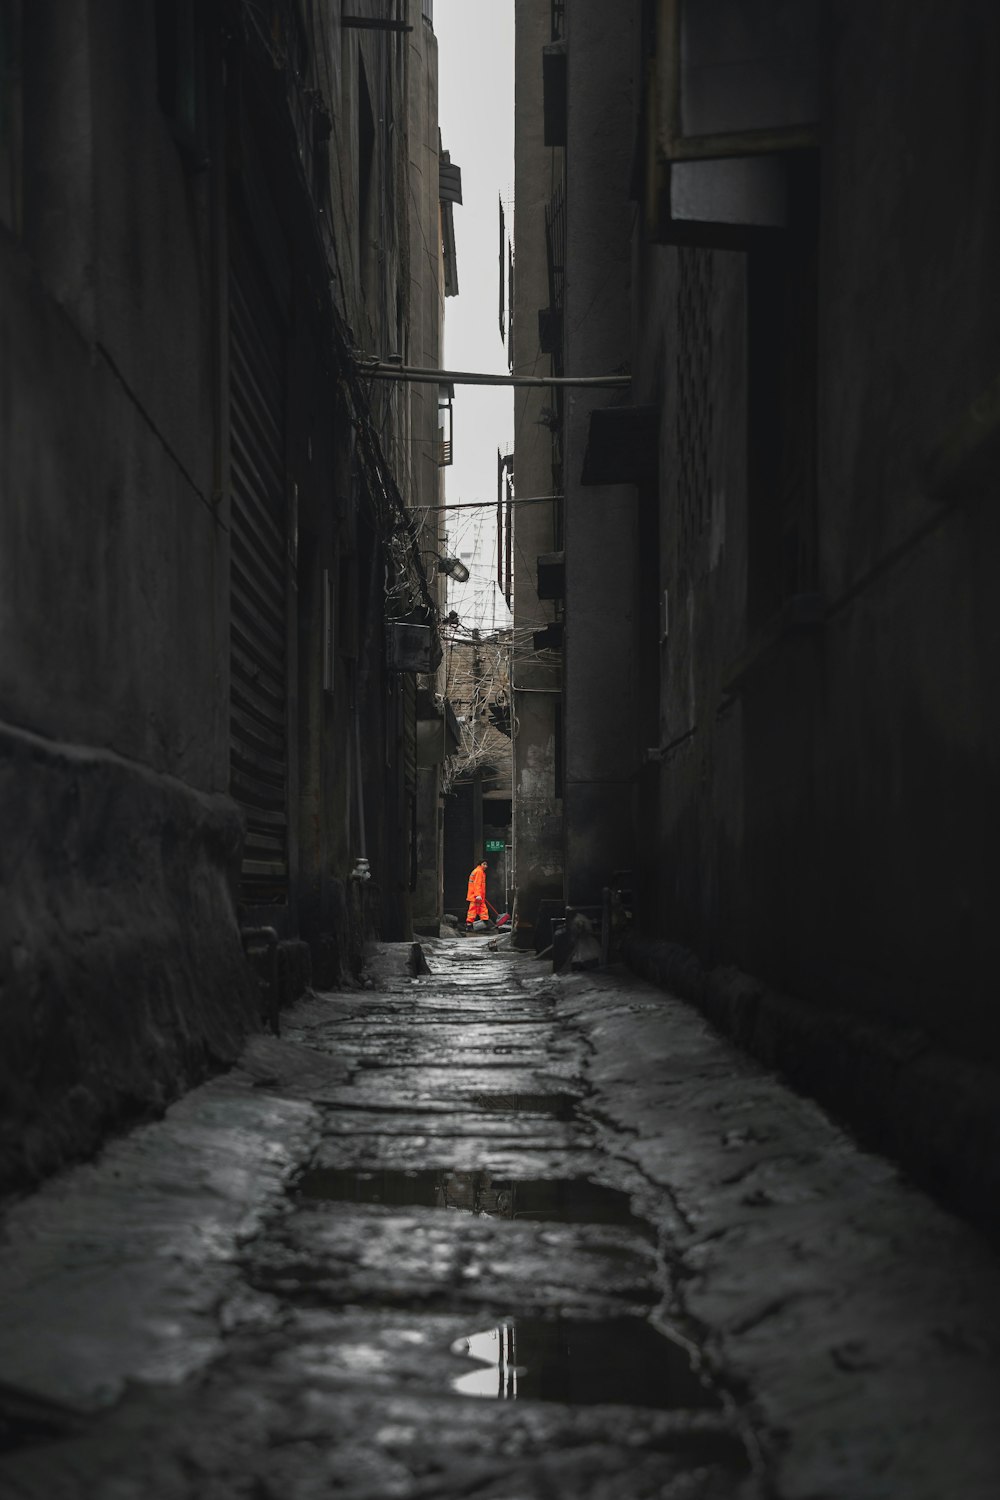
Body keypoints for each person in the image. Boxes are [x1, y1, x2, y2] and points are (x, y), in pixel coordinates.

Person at [465, 860, 489, 929]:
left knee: (481, 910)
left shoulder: (478, 871)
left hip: (477, 896)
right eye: (484, 864)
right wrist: (478, 895)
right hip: (476, 896)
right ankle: (469, 925)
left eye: (486, 865)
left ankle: (485, 923)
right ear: (480, 864)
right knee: (474, 910)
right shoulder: (479, 872)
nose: (486, 866)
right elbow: (477, 884)